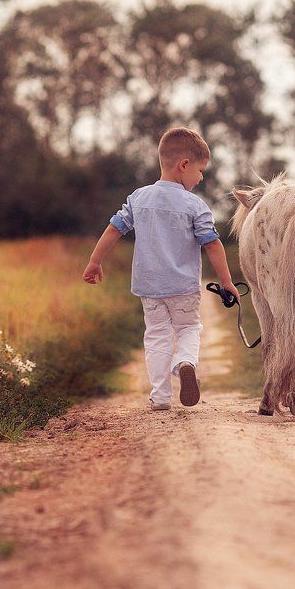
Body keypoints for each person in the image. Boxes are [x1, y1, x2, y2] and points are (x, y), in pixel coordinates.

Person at [82, 126, 241, 410]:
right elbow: (213, 244)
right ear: (184, 165)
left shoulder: (139, 198)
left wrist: (95, 262)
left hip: (149, 286)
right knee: (189, 327)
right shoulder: (195, 206)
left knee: (156, 335)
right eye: (200, 170)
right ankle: (185, 363)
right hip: (183, 288)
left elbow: (113, 230)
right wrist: (227, 281)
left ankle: (160, 396)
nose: (201, 177)